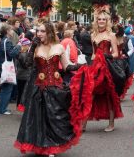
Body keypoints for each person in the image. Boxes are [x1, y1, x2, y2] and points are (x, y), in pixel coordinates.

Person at [15, 20, 85, 156]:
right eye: (38, 31)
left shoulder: (58, 47)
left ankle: (52, 146)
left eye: (42, 31)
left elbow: (66, 67)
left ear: (49, 33)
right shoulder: (35, 47)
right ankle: (40, 145)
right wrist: (33, 47)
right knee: (38, 119)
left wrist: (80, 66)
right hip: (39, 87)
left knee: (55, 118)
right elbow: (28, 64)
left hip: (55, 87)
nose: (39, 33)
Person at [82, 10, 123, 132]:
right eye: (99, 19)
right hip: (95, 67)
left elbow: (116, 53)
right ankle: (83, 124)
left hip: (107, 67)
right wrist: (93, 59)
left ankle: (111, 123)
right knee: (90, 93)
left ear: (107, 21)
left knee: (109, 94)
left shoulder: (111, 35)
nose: (101, 21)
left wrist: (107, 56)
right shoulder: (93, 35)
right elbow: (94, 53)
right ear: (96, 21)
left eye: (103, 19)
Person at [0, 24, 22, 115]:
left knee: (5, 88)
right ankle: (2, 109)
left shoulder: (4, 40)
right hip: (7, 67)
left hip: (2, 66)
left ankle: (2, 107)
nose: (12, 32)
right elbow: (11, 54)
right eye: (11, 30)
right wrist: (19, 46)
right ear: (7, 31)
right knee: (7, 88)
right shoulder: (7, 41)